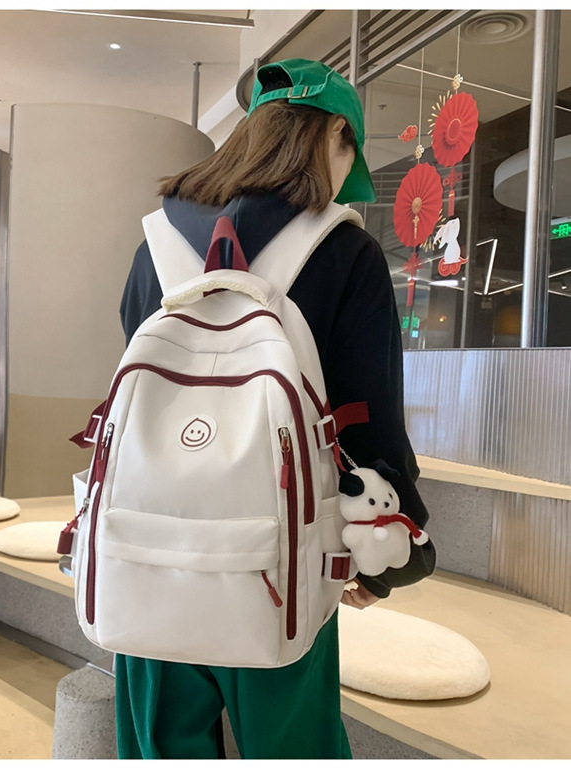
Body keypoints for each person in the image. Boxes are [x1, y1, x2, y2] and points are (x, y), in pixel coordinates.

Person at [116, 58, 436, 759]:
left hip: (145, 554)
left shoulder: (154, 248)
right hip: (279, 565)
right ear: (337, 137)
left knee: (158, 746)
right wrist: (382, 557)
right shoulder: (346, 251)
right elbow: (370, 418)